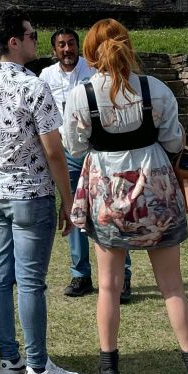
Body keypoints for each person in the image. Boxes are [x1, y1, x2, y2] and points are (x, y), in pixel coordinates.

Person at [64, 19, 188, 374]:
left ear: (91, 53)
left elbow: (74, 147)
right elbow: (174, 139)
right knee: (173, 287)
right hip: (155, 189)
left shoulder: (81, 95)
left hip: (108, 190)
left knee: (108, 287)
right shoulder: (154, 89)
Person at [0, 10, 84, 374]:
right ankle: (38, 367)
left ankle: (9, 358)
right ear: (14, 42)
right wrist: (68, 200)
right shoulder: (34, 86)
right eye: (32, 36)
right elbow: (55, 151)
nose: (38, 41)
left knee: (1, 276)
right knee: (31, 282)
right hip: (29, 193)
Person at [39, 28, 132, 302]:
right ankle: (80, 273)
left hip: (98, 149)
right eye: (61, 45)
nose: (67, 49)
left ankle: (123, 276)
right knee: (73, 210)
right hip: (67, 151)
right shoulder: (46, 76)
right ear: (54, 50)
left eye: (71, 44)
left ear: (78, 47)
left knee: (113, 210)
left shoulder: (93, 69)